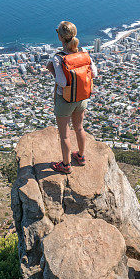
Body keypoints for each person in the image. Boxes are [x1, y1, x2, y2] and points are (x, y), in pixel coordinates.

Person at [45, 21, 97, 174]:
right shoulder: (83, 52)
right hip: (82, 97)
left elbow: (61, 82)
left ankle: (66, 165)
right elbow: (94, 74)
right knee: (79, 127)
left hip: (65, 100)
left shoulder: (58, 57)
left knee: (64, 135)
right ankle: (81, 157)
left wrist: (53, 71)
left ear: (60, 37)